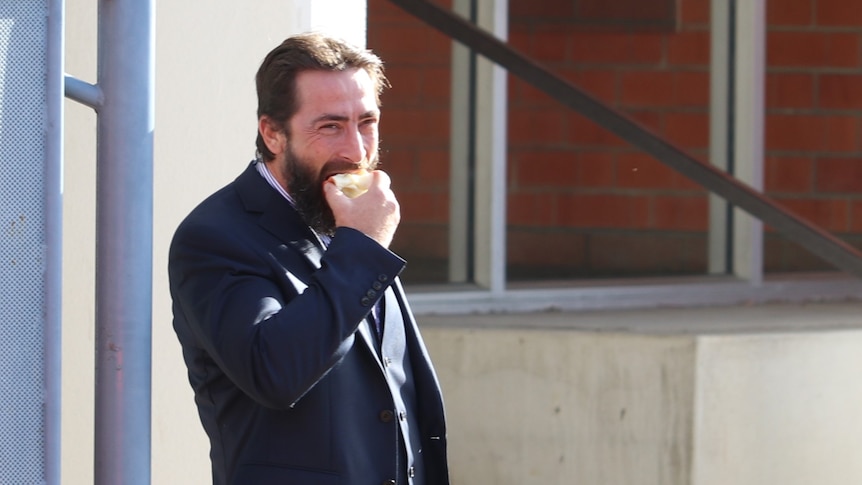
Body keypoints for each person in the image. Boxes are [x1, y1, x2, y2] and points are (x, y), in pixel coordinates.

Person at [168, 32, 449, 485]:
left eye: (367, 122)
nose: (356, 152)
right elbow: (274, 372)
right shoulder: (215, 236)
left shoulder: (345, 217)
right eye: (331, 126)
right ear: (272, 134)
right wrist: (364, 248)